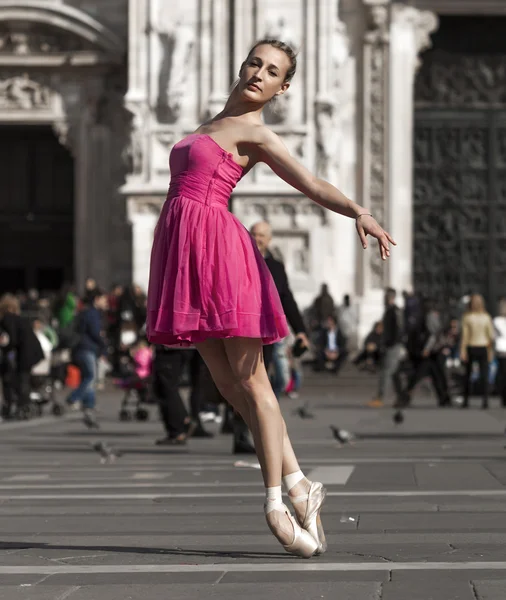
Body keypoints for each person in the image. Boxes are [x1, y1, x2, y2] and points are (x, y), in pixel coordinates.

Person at [147, 38, 395, 558]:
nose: (260, 73)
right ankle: (302, 482)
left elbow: (308, 182)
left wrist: (358, 211)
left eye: (273, 71)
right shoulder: (210, 123)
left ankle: (275, 499)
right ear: (242, 67)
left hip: (219, 252)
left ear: (284, 88)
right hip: (185, 250)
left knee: (252, 381)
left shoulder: (256, 135)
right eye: (255, 62)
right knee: (230, 387)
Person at [66, 289, 108, 427]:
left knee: (88, 377)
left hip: (85, 348)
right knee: (91, 376)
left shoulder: (87, 312)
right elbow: (95, 332)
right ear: (96, 299)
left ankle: (89, 405)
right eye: (103, 299)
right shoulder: (92, 313)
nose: (105, 302)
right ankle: (73, 398)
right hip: (87, 348)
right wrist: (104, 344)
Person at [0, 294, 44, 419]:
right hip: (33, 352)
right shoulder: (20, 319)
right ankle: (25, 405)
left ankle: (22, 406)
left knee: (20, 380)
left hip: (25, 354)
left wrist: (5, 347)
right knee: (23, 379)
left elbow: (11, 339)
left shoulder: (7, 319)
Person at [369, 288, 403, 408]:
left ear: (391, 298)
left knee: (386, 371)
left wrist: (392, 342)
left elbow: (398, 329)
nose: (384, 299)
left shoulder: (394, 311)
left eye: (386, 297)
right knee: (394, 372)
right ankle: (402, 397)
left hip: (393, 345)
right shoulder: (389, 311)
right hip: (389, 344)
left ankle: (380, 397)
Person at [460, 294, 494, 409]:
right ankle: (485, 400)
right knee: (484, 375)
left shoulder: (467, 317)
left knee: (468, 374)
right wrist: (490, 351)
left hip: (471, 346)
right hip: (483, 346)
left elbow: (465, 336)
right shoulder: (486, 317)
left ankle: (466, 400)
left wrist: (462, 350)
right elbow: (490, 336)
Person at [493, 298, 506, 407]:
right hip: (502, 349)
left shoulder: (496, 321)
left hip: (501, 349)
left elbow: (494, 336)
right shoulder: (497, 321)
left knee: (502, 374)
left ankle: (503, 397)